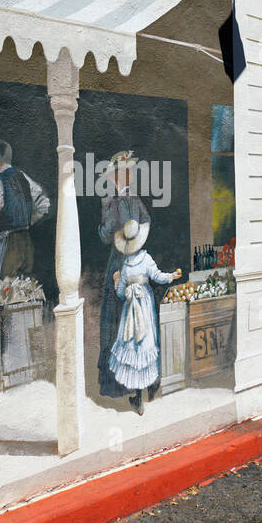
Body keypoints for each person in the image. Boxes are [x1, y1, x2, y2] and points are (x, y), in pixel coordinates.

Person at [109, 219, 182, 414]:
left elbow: (120, 293)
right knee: (148, 342)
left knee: (134, 346)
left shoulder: (125, 267)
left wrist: (117, 281)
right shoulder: (146, 259)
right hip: (145, 306)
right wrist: (171, 276)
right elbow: (157, 276)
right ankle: (152, 384)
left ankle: (138, 397)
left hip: (131, 311)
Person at [98, 150, 151, 401]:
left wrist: (105, 222)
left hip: (120, 264)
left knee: (116, 320)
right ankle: (136, 382)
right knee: (137, 320)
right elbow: (146, 222)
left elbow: (105, 234)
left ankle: (119, 383)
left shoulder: (113, 201)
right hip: (137, 264)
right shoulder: (135, 199)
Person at [0, 140, 49, 287]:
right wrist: (27, 221)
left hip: (8, 245)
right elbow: (44, 205)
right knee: (23, 289)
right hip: (26, 242)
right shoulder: (23, 177)